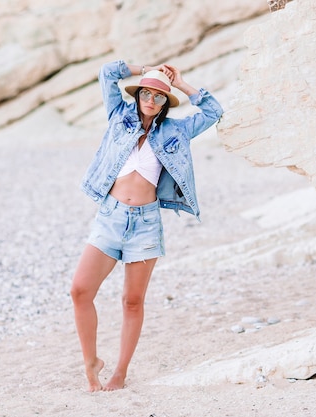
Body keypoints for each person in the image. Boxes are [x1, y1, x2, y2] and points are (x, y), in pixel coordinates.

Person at [70, 60, 223, 392]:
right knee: (80, 290)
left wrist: (180, 82)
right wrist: (145, 67)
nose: (151, 100)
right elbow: (106, 74)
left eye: (159, 96)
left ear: (166, 102)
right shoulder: (118, 116)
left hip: (145, 223)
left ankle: (120, 372)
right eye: (147, 93)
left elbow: (213, 111)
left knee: (132, 301)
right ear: (138, 94)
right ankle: (90, 361)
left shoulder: (175, 130)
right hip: (109, 218)